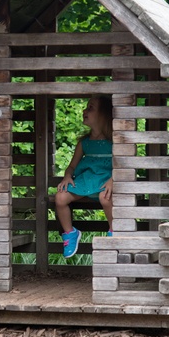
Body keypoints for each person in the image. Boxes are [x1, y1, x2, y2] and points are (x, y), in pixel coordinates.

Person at [55, 96, 113, 258]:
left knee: (105, 197)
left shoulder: (115, 141)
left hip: (107, 181)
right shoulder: (84, 143)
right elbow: (72, 166)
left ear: (104, 114)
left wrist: (113, 180)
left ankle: (114, 231)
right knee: (60, 197)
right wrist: (67, 176)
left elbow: (123, 164)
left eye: (91, 108)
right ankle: (70, 233)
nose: (84, 111)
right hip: (87, 181)